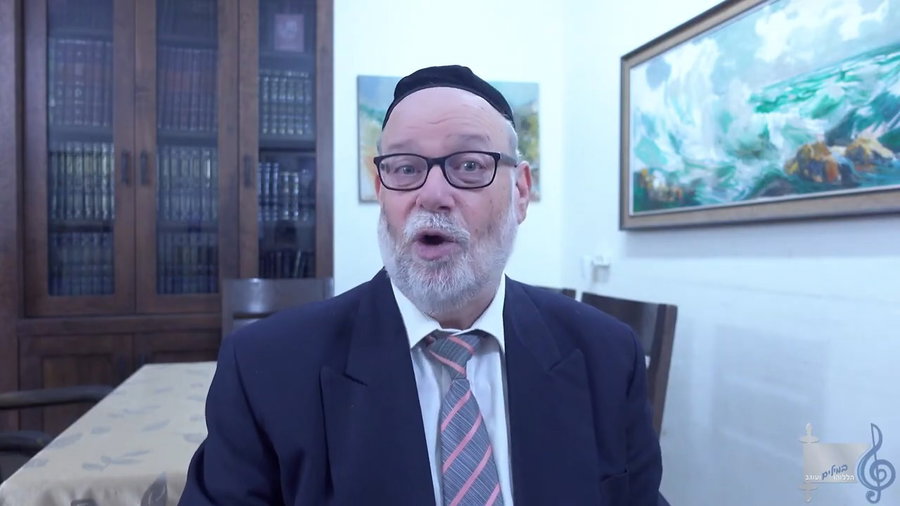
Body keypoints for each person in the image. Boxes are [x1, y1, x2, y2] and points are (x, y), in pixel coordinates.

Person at [179, 65, 664, 505]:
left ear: (520, 191)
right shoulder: (264, 369)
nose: (432, 195)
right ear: (381, 190)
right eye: (406, 168)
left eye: (469, 165)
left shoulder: (606, 355)